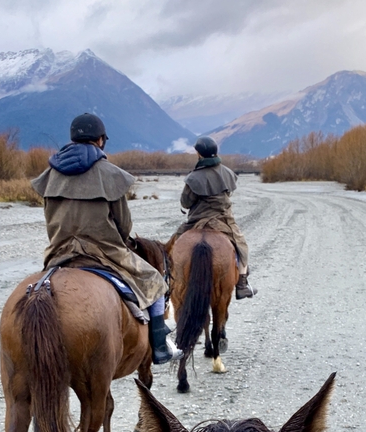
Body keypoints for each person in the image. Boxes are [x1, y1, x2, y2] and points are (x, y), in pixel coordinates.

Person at [31, 113, 179, 364]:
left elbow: (49, 218)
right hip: (104, 250)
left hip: (59, 250)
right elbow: (124, 225)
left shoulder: (50, 175)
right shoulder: (110, 174)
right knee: (153, 280)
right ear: (100, 140)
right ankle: (159, 346)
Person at [175, 136, 256, 299]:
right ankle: (242, 283)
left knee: (173, 246)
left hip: (197, 221)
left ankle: (170, 283)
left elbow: (185, 203)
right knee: (241, 245)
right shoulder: (228, 173)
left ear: (198, 154)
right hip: (223, 220)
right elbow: (229, 193)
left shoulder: (193, 178)